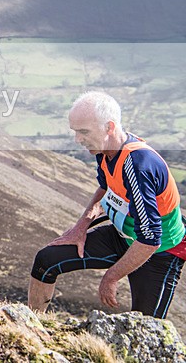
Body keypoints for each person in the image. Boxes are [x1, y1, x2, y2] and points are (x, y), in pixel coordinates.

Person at [28, 91, 185, 318]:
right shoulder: (105, 150)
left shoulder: (139, 166)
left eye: (83, 132)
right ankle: (32, 326)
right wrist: (81, 226)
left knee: (145, 327)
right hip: (124, 236)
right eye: (75, 132)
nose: (77, 140)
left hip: (159, 252)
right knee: (46, 260)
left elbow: (151, 238)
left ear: (109, 127)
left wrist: (110, 278)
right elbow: (105, 188)